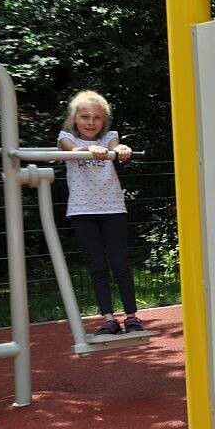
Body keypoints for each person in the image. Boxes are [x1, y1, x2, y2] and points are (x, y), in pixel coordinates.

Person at [58, 90, 145, 334]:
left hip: (112, 208)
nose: (90, 122)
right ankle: (108, 318)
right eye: (85, 117)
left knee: (119, 262)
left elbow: (118, 147)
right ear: (74, 119)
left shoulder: (109, 137)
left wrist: (123, 150)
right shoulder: (67, 137)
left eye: (97, 118)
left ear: (103, 120)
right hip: (82, 210)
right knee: (97, 264)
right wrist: (90, 150)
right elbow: (71, 152)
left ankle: (131, 316)